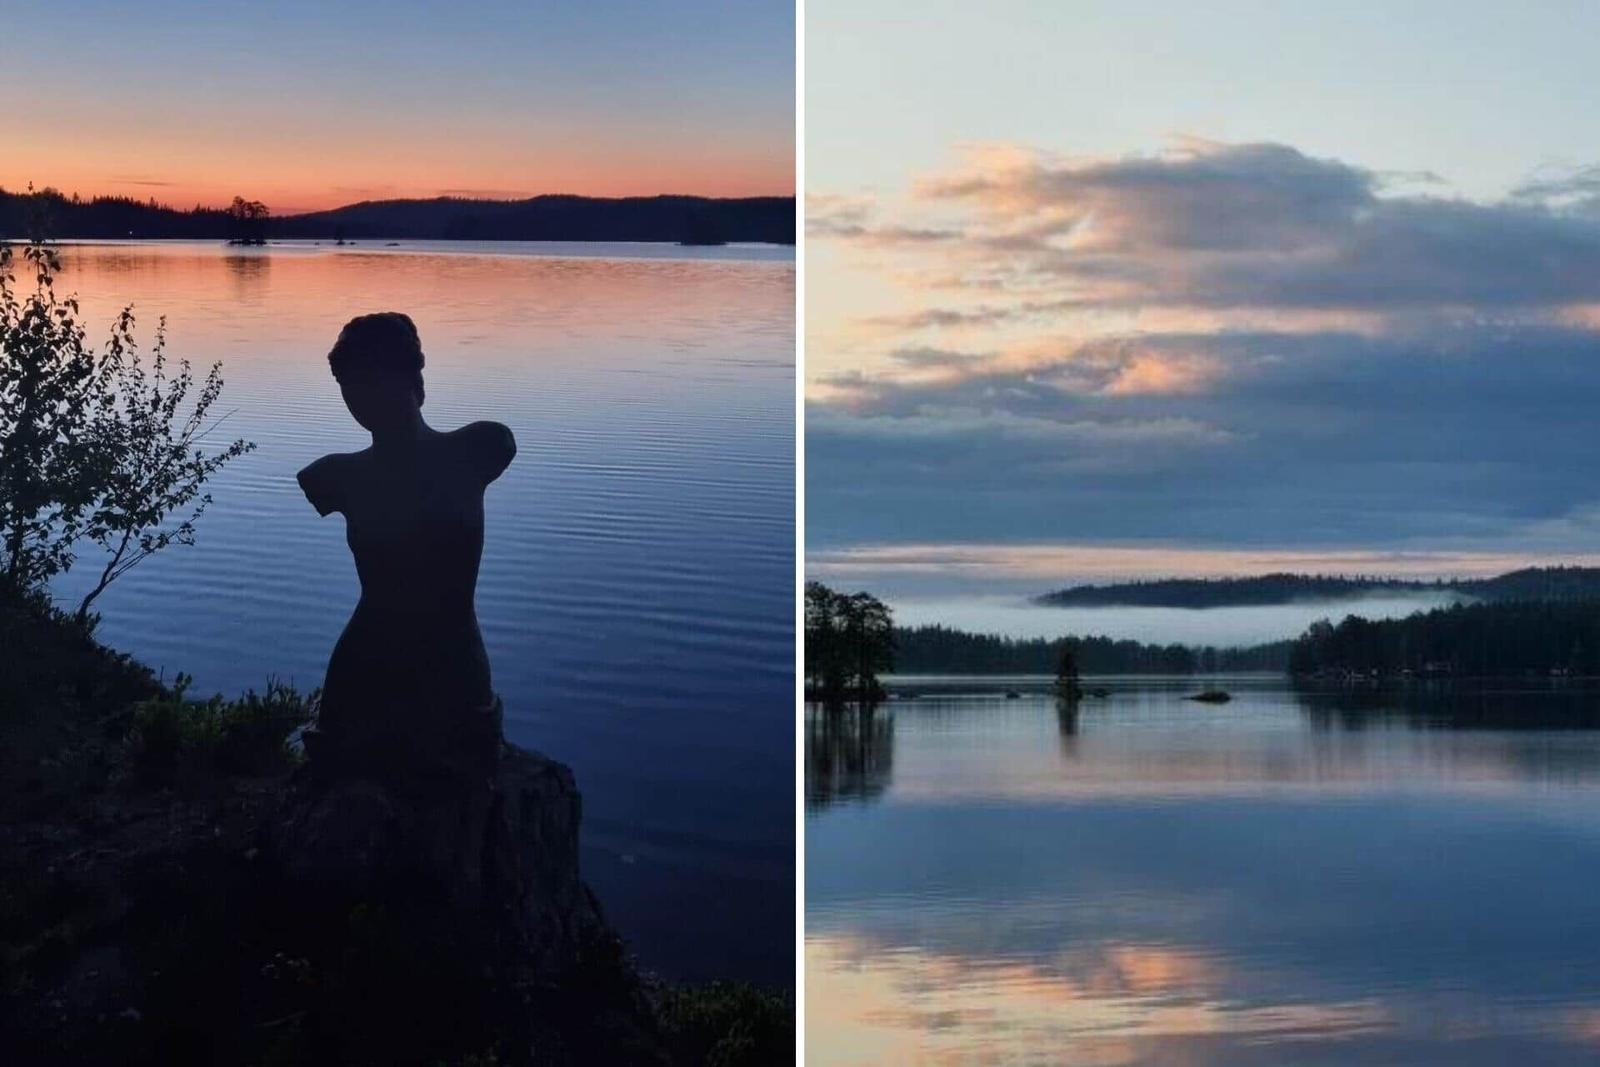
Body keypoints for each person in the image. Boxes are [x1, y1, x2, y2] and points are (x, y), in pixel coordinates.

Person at [296, 312, 515, 785]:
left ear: (411, 377)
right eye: (347, 384)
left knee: (458, 767)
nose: (358, 396)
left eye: (372, 379)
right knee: (341, 763)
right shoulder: (335, 476)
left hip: (454, 656)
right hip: (367, 657)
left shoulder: (481, 447)